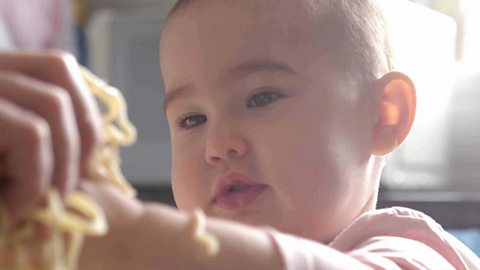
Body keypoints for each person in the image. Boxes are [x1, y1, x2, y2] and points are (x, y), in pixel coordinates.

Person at [1, 0, 479, 269]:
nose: (218, 145)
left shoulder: (410, 249)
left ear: (383, 116)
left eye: (261, 98)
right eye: (192, 120)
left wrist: (120, 233)